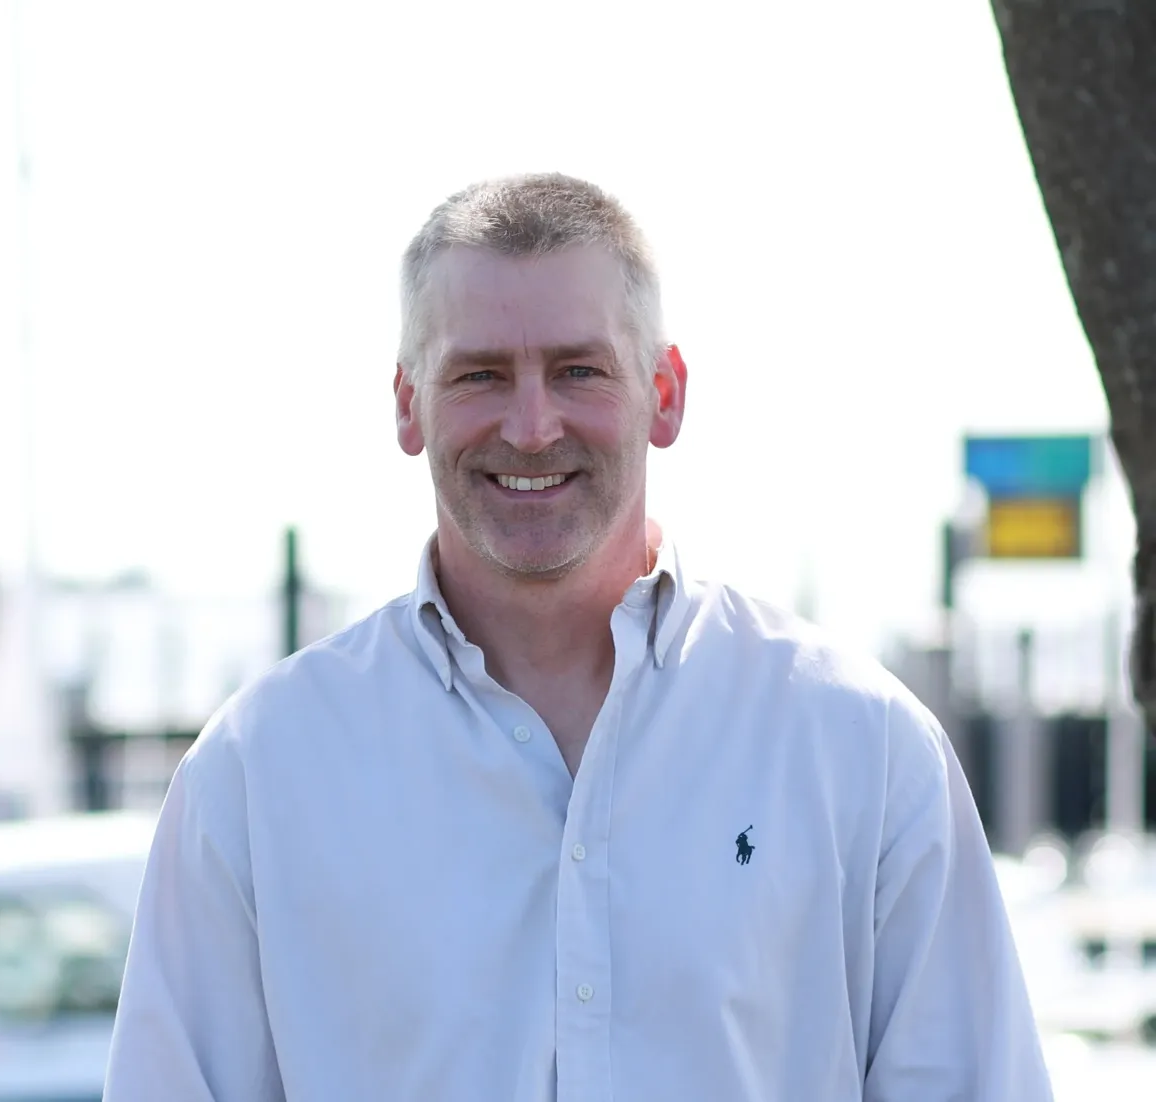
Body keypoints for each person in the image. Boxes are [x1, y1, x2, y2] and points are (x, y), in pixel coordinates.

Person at [104, 173, 1054, 1101]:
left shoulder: (861, 748)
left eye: (578, 371)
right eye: (480, 375)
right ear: (407, 403)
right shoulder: (259, 773)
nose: (530, 427)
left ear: (665, 393)